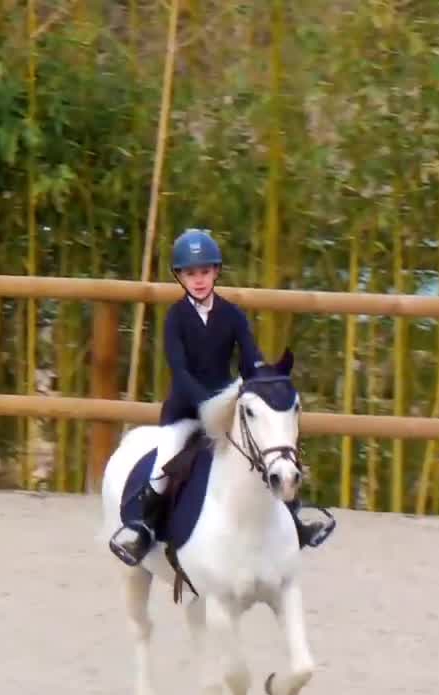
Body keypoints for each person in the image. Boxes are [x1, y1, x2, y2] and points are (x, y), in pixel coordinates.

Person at [109, 227, 334, 566]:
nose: (198, 279)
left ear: (215, 272)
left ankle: (295, 518)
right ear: (180, 277)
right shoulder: (175, 319)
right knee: (161, 466)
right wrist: (206, 404)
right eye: (190, 274)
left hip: (228, 412)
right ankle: (144, 529)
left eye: (204, 271)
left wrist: (264, 375)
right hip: (185, 411)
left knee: (271, 452)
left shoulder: (232, 315)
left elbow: (249, 360)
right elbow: (180, 371)